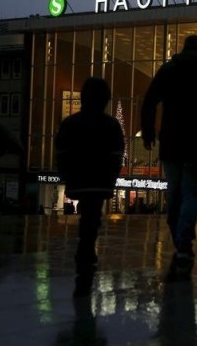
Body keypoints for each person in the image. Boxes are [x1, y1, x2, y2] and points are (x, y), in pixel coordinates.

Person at [141, 34, 197, 266]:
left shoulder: (169, 70)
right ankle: (184, 238)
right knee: (192, 191)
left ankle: (178, 232)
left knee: (174, 189)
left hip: (172, 139)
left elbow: (150, 99)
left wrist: (149, 130)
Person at [55, 77, 125, 271]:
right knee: (92, 213)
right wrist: (112, 176)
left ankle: (85, 247)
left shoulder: (71, 123)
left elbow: (62, 151)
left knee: (88, 213)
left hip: (79, 177)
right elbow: (117, 154)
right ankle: (86, 247)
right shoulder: (111, 125)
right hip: (100, 179)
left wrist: (66, 174)